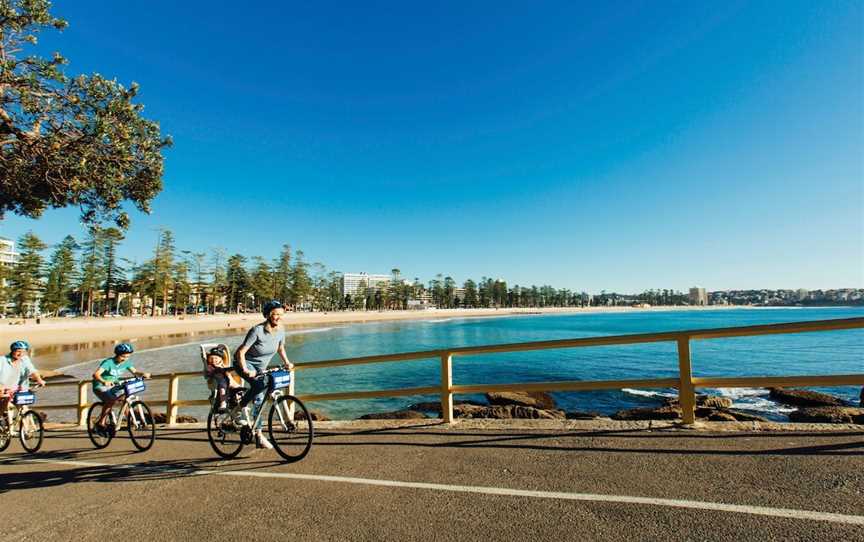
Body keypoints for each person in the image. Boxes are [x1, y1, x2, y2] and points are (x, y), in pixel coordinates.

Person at [233, 300, 293, 449]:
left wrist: (287, 362)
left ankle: (258, 434)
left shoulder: (281, 329)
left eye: (280, 314)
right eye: (274, 314)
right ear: (267, 315)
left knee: (261, 395)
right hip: (244, 363)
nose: (278, 317)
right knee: (259, 387)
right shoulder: (257, 331)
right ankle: (237, 409)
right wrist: (246, 370)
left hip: (261, 368)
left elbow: (280, 348)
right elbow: (241, 352)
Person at [91, 343, 150, 434]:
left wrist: (143, 374)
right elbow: (95, 374)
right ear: (117, 355)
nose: (125, 359)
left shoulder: (126, 362)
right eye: (123, 356)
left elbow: (135, 372)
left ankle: (129, 420)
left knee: (125, 397)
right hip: (100, 386)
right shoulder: (108, 363)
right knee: (111, 400)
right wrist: (104, 381)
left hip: (114, 385)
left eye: (127, 357)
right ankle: (101, 423)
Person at [0, 340, 46, 416]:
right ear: (13, 351)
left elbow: (32, 370)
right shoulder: (2, 360)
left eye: (24, 352)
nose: (21, 354)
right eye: (18, 351)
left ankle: (26, 423)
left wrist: (39, 380)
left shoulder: (25, 359)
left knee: (24, 408)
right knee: (3, 404)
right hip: (3, 387)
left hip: (19, 388)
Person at [205, 345, 240, 412]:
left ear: (221, 359)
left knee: (232, 375)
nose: (213, 360)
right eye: (211, 358)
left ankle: (240, 403)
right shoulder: (210, 367)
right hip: (219, 382)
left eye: (216, 358)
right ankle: (223, 402)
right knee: (222, 382)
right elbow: (210, 373)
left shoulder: (223, 365)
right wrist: (218, 368)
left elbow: (228, 369)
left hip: (228, 381)